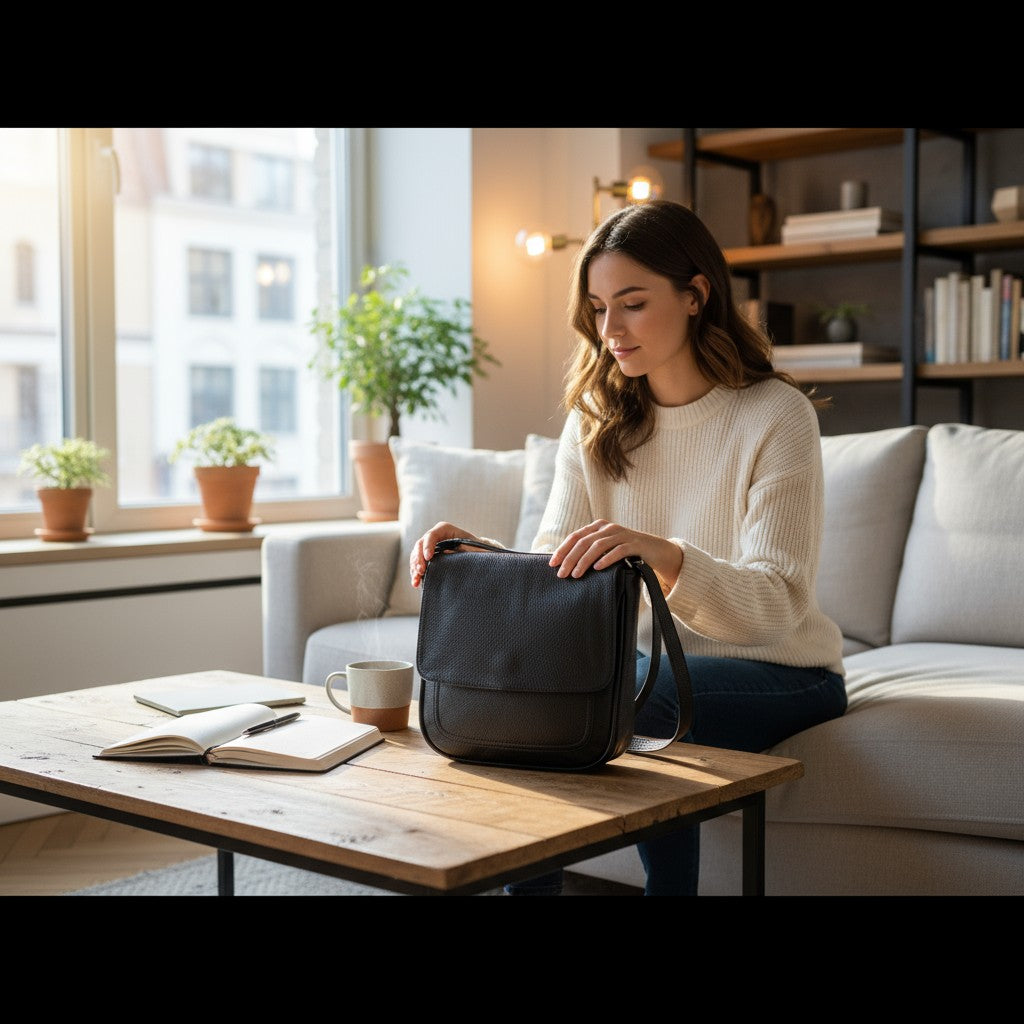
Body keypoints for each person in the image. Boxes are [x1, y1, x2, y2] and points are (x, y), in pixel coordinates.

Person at [408, 198, 847, 896]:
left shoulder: (775, 415)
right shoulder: (596, 417)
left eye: (633, 304)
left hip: (780, 669)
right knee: (574, 690)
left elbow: (776, 606)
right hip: (643, 666)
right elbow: (560, 569)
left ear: (696, 294)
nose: (610, 330)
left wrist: (662, 555)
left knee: (637, 698)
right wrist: (480, 555)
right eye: (598, 307)